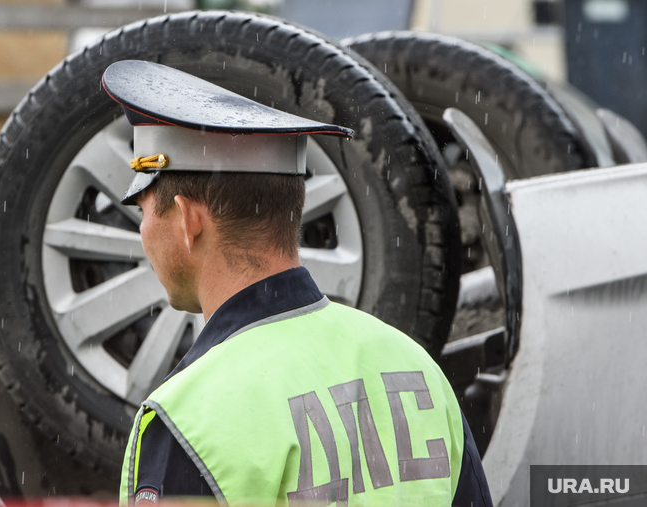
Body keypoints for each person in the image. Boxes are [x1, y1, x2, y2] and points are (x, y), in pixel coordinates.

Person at [103, 60, 492, 507]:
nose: (142, 230)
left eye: (146, 209)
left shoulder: (190, 415)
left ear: (189, 220)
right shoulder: (415, 367)